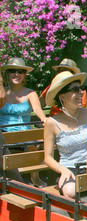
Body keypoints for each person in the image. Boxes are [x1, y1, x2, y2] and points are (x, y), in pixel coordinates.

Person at [43, 71, 87, 199]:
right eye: (75, 89)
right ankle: (79, 219)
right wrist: (62, 169)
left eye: (81, 88)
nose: (81, 92)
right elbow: (48, 158)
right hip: (70, 169)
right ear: (62, 96)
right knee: (70, 192)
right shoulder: (52, 123)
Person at [0, 57, 47, 187]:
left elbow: (38, 110)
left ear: (24, 75)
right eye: (13, 71)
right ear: (7, 74)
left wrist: (44, 119)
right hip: (4, 134)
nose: (16, 74)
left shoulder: (30, 93)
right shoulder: (2, 93)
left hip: (24, 134)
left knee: (33, 145)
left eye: (20, 71)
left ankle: (35, 177)